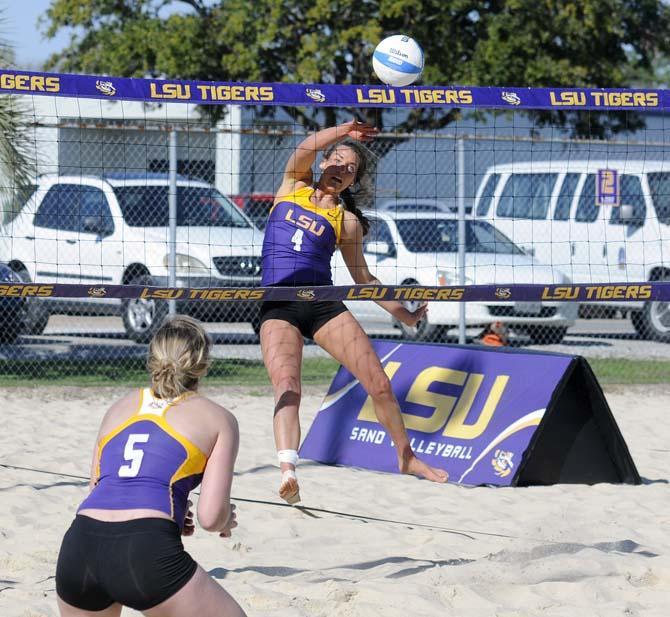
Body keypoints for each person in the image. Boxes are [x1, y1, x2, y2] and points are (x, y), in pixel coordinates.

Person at [259, 118, 449, 505]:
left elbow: (362, 277)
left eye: (351, 170)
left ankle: (406, 457)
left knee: (378, 383)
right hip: (279, 304)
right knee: (288, 386)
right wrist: (346, 130)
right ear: (324, 161)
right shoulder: (293, 185)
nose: (343, 170)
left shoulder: (345, 221)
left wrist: (406, 314)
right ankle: (288, 472)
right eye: (338, 161)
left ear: (352, 182)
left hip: (323, 304)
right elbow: (307, 145)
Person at [55, 316, 246, 617]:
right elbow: (210, 517)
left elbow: (100, 485)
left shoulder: (119, 406)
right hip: (144, 550)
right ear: (203, 364)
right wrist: (225, 521)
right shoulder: (219, 418)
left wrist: (170, 508)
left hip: (79, 548)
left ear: (152, 359)